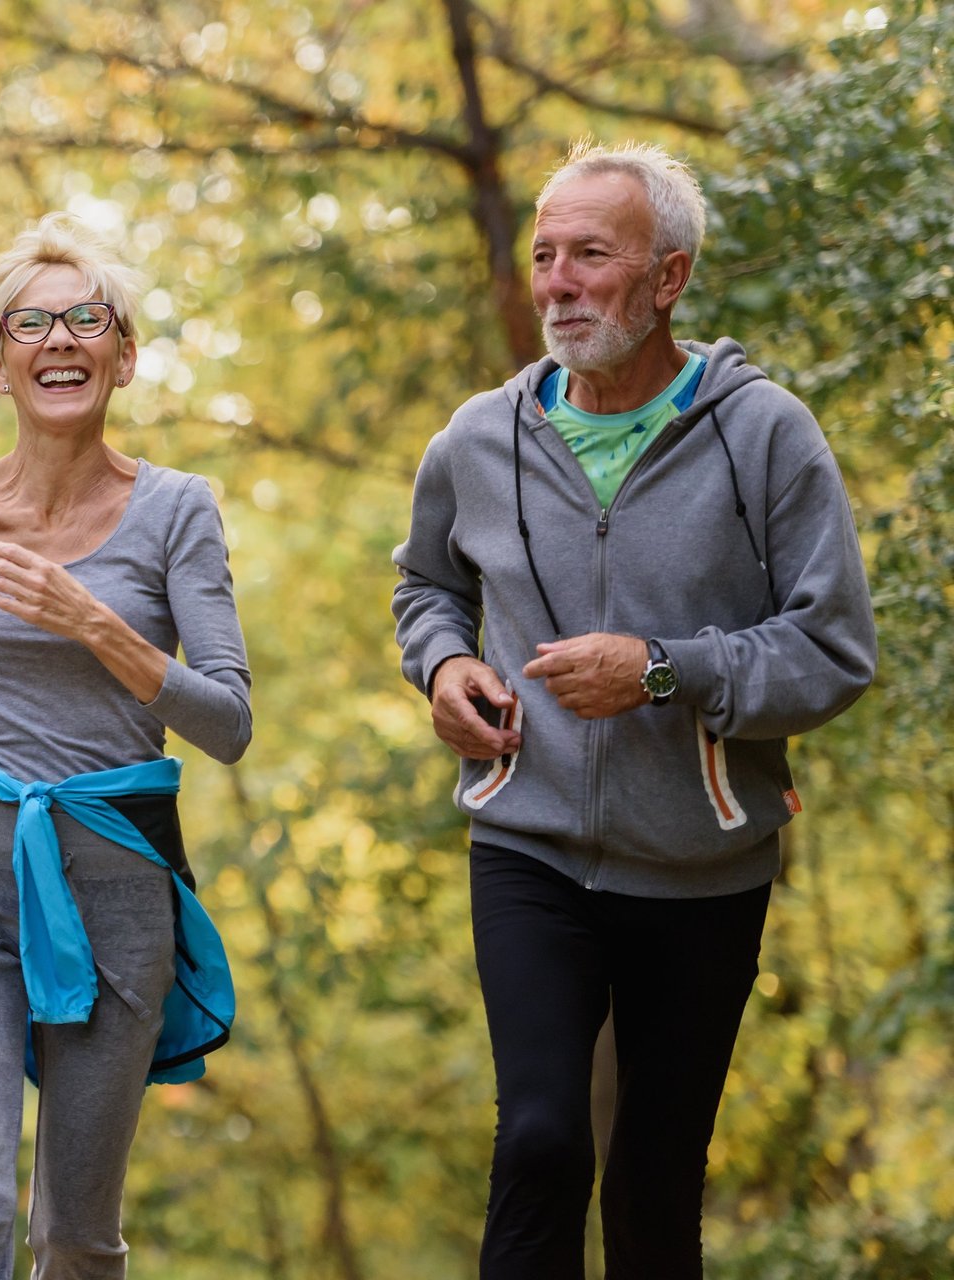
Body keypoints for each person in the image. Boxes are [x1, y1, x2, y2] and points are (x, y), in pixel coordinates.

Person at [391, 140, 877, 1278]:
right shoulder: (479, 436)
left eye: (590, 255)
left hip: (704, 861)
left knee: (656, 1179)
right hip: (529, 842)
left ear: (668, 278)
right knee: (545, 1136)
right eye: (546, 253)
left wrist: (664, 669)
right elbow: (425, 585)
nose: (557, 280)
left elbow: (834, 649)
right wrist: (443, 665)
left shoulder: (765, 435)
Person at [0, 212, 251, 1280]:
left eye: (86, 318)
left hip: (113, 890)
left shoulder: (176, 512)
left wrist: (97, 625)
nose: (59, 338)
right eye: (31, 321)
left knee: (72, 1229)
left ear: (123, 354)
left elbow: (230, 721)